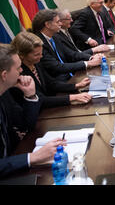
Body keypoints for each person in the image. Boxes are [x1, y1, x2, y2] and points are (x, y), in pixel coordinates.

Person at [0, 44, 66, 178]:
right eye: (18, 68)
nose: (21, 71)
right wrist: (32, 157)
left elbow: (25, 124)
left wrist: (30, 95)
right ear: (4, 75)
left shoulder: (4, 94)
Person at [11, 32, 92, 108]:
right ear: (22, 55)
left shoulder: (35, 62)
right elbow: (39, 99)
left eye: (41, 53)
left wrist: (77, 85)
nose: (41, 56)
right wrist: (73, 97)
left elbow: (51, 83)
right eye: (37, 54)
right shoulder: (19, 72)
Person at [32, 9, 102, 81]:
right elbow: (57, 67)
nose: (60, 24)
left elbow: (71, 54)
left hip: (69, 76)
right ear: (48, 25)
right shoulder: (38, 43)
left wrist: (91, 58)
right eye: (58, 22)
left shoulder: (55, 36)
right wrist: (88, 63)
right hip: (58, 82)